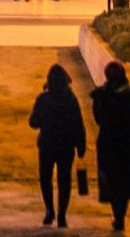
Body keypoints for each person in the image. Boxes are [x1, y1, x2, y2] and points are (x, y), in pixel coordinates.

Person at [91, 61, 130, 231]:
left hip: (108, 141)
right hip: (128, 141)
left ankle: (117, 215)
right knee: (125, 180)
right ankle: (120, 216)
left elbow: (97, 119)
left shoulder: (100, 94)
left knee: (112, 179)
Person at [29, 64, 87, 227]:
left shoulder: (43, 99)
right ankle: (62, 215)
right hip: (66, 147)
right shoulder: (71, 99)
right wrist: (81, 147)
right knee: (64, 181)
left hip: (47, 145)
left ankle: (49, 211)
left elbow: (33, 122)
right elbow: (78, 124)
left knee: (45, 179)